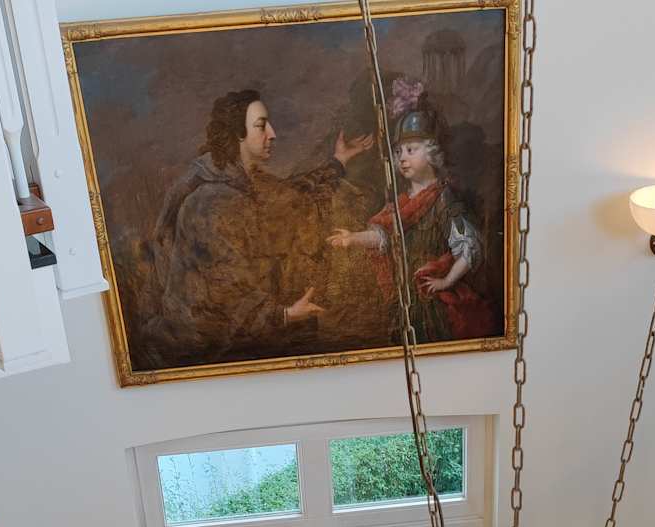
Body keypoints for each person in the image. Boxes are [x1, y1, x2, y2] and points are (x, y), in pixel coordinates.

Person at [140, 89, 374, 367]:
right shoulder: (210, 203)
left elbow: (293, 194)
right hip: (203, 349)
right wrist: (284, 315)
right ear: (237, 134)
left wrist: (339, 161)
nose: (272, 134)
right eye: (261, 126)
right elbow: (227, 292)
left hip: (234, 337)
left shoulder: (242, 181)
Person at [325, 86, 494, 343]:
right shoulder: (403, 203)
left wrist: (446, 281)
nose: (402, 158)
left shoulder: (443, 200)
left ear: (432, 152)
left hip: (434, 304)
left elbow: (469, 247)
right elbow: (384, 235)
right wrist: (353, 238)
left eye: (411, 150)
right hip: (405, 302)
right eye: (398, 152)